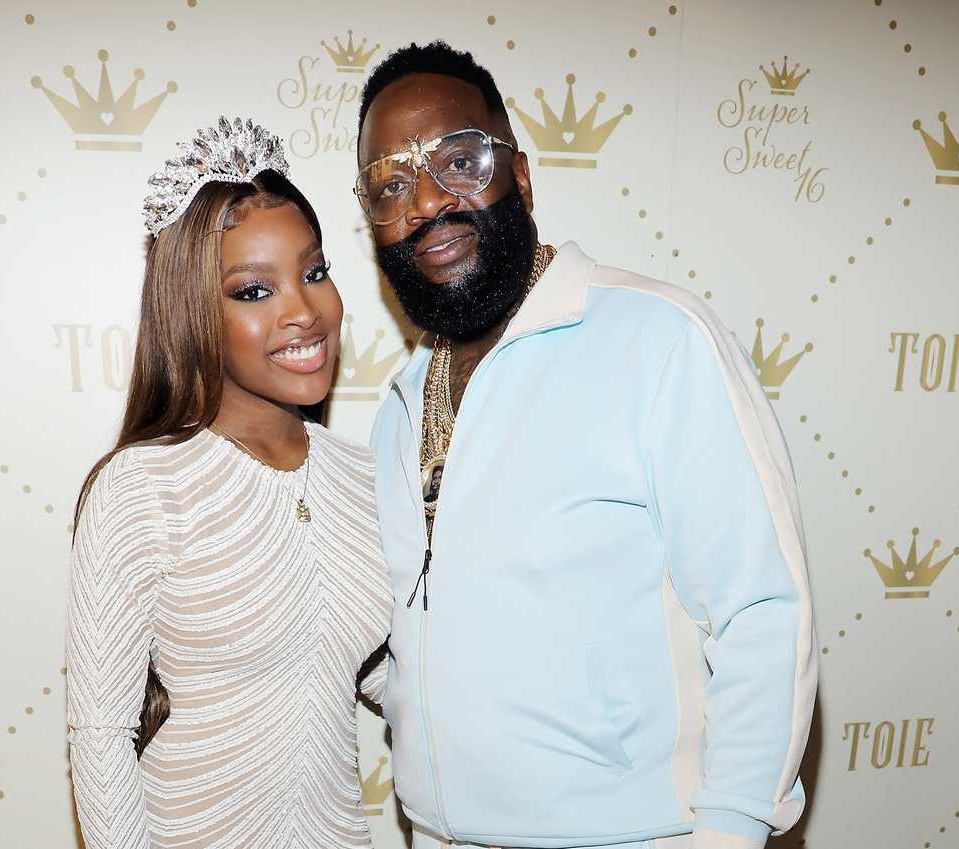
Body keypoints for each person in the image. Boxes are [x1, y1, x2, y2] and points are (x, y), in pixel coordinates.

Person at [357, 43, 817, 849]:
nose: (426, 200)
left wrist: (733, 830)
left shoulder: (656, 339)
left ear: (521, 176)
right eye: (391, 184)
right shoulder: (397, 411)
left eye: (457, 160)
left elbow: (764, 612)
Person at [66, 117, 392, 849]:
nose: (304, 310)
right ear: (194, 312)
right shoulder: (142, 488)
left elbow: (357, 659)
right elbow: (100, 736)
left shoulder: (365, 473)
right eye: (254, 290)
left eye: (314, 272)